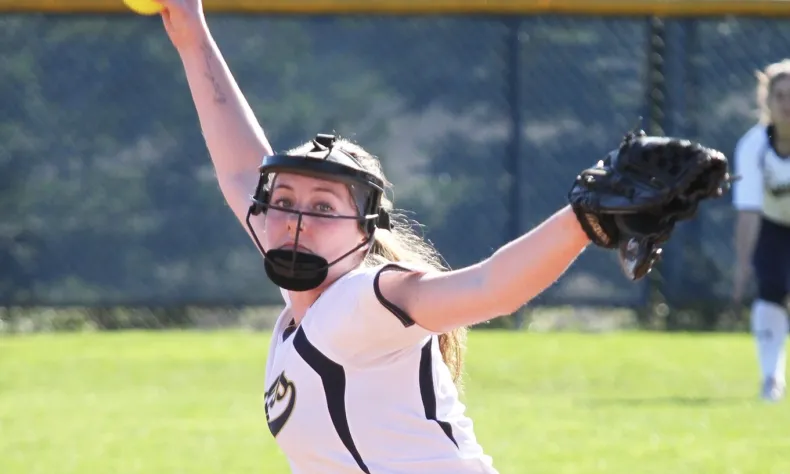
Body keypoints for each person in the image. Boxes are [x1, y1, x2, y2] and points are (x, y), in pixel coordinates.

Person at [154, 1, 632, 472]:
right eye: (283, 201)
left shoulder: (364, 299)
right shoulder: (307, 302)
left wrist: (584, 219)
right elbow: (240, 171)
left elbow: (492, 287)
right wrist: (191, 34)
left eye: (323, 206)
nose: (296, 220)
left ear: (364, 233)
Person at [732, 59, 790, 402]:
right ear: (766, 101)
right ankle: (772, 378)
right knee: (771, 289)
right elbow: (749, 211)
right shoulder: (753, 146)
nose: (787, 104)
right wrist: (743, 264)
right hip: (772, 225)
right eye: (780, 95)